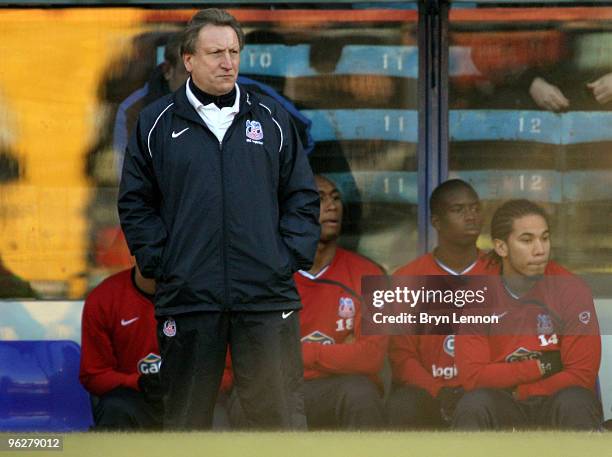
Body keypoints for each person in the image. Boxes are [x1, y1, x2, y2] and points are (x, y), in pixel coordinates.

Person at [118, 8, 320, 430]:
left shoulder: (272, 118)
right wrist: (162, 263)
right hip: (189, 295)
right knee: (185, 423)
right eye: (215, 53)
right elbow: (136, 201)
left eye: (233, 51)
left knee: (278, 422)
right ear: (188, 60)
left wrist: (285, 258)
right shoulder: (155, 122)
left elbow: (301, 195)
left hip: (266, 297)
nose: (228, 62)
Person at [229, 175, 387, 429]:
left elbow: (371, 356)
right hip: (276, 391)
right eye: (319, 199)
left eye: (336, 198)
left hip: (338, 389)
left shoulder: (370, 274)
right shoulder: (264, 274)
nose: (332, 206)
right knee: (248, 399)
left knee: (361, 393)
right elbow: (254, 359)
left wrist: (300, 353)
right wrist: (339, 354)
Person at [453, 199, 602, 430]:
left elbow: (581, 374)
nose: (540, 250)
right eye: (527, 240)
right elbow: (473, 376)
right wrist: (542, 366)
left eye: (545, 238)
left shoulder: (571, 288)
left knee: (576, 401)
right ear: (501, 247)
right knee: (475, 404)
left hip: (555, 400)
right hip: (503, 402)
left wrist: (523, 389)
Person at [386, 179, 494, 428]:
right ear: (436, 221)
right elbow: (402, 357)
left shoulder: (499, 272)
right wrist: (439, 391)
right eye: (459, 210)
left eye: (475, 208)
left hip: (485, 393)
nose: (471, 217)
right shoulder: (406, 279)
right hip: (428, 393)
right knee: (402, 404)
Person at [79, 266, 162, 430]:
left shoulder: (200, 296)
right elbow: (94, 374)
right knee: (115, 408)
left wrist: (186, 383)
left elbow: (224, 373)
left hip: (189, 397)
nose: (156, 252)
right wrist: (138, 382)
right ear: (134, 250)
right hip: (134, 399)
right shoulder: (105, 297)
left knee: (216, 414)